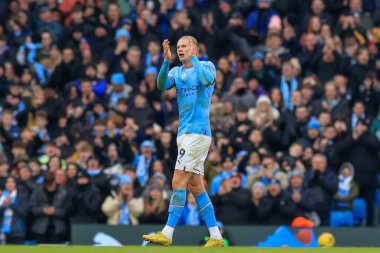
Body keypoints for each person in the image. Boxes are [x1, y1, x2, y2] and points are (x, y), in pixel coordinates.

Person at [143, 36, 224, 247]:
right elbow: (161, 85)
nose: (180, 49)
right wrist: (166, 62)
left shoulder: (206, 65)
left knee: (177, 180)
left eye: (184, 46)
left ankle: (167, 233)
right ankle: (215, 236)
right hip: (184, 134)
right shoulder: (176, 72)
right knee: (196, 186)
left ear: (195, 48)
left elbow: (207, 80)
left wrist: (194, 59)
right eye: (178, 47)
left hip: (198, 133)